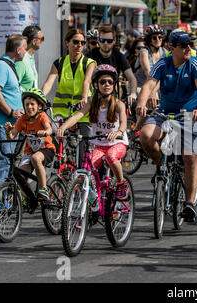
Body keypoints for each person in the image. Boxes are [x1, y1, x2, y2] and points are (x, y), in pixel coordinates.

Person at [136, 30, 197, 222]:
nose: (188, 48)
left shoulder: (195, 63)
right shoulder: (163, 63)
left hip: (189, 115)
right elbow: (149, 85)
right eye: (183, 45)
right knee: (145, 136)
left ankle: (190, 203)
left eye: (189, 45)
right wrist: (141, 104)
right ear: (171, 47)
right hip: (165, 113)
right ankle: (163, 165)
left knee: (188, 156)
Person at [56, 64, 130, 200]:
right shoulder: (92, 102)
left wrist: (119, 131)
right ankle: (93, 201)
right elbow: (77, 116)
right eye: (102, 82)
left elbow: (124, 123)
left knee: (111, 156)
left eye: (110, 82)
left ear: (114, 85)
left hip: (117, 143)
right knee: (87, 167)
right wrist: (62, 128)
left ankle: (121, 183)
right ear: (96, 85)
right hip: (99, 145)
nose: (106, 85)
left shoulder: (119, 104)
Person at [42, 28, 96, 167]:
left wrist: (84, 97)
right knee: (56, 140)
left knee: (84, 146)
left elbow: (87, 81)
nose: (79, 45)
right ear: (67, 42)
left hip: (82, 111)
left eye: (82, 43)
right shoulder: (59, 62)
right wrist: (39, 98)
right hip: (62, 111)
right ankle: (60, 168)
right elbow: (49, 82)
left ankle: (84, 175)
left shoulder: (89, 62)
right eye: (76, 42)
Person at [0, 35, 26, 198]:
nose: (25, 52)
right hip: (1, 123)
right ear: (18, 50)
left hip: (9, 125)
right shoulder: (1, 66)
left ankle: (0, 203)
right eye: (24, 48)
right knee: (2, 163)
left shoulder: (9, 66)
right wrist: (10, 112)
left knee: (6, 163)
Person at [4, 89, 55, 201]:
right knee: (20, 175)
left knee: (36, 158)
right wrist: (8, 131)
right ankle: (27, 198)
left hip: (46, 149)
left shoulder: (42, 116)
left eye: (32, 104)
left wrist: (45, 132)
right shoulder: (23, 119)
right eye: (27, 104)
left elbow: (49, 128)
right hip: (30, 152)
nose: (29, 107)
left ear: (40, 106)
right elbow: (11, 137)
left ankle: (43, 188)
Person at [88, 24, 137, 106]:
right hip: (93, 97)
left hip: (112, 98)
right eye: (102, 40)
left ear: (114, 41)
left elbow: (132, 78)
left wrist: (133, 93)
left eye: (109, 41)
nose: (106, 43)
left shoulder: (119, 56)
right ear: (98, 40)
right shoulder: (90, 55)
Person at [137, 24, 167, 109]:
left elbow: (163, 76)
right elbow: (148, 73)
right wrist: (152, 92)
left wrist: (153, 91)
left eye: (160, 37)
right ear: (149, 40)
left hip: (157, 86)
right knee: (150, 103)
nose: (158, 40)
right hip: (141, 85)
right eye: (154, 38)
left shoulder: (164, 53)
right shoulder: (144, 52)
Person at [17, 25, 44, 92]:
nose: (42, 42)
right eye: (42, 39)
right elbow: (14, 86)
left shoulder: (31, 58)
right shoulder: (21, 60)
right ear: (34, 41)